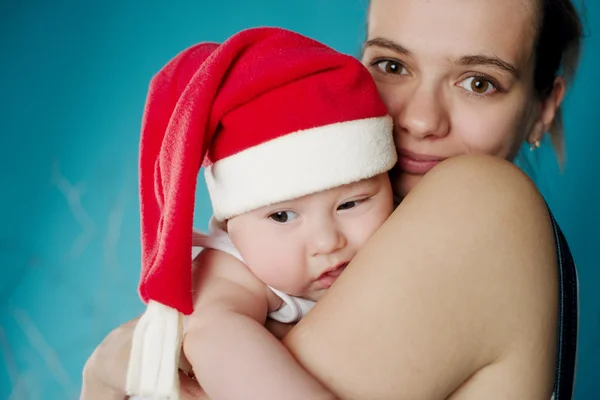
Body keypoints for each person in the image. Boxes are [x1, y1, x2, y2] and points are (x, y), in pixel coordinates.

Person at [81, 0, 583, 399]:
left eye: (479, 82)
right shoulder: (289, 248)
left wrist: (107, 381)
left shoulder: (482, 202)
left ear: (544, 107)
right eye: (392, 65)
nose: (421, 120)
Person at [124, 27, 397, 400]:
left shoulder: (413, 222)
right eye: (283, 217)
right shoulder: (234, 269)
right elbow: (215, 333)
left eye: (350, 204)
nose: (327, 241)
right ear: (231, 224)